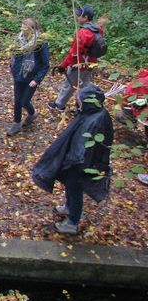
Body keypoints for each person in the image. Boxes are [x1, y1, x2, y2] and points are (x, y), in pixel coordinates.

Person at [32, 85, 113, 235]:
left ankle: (72, 223)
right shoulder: (91, 113)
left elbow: (88, 148)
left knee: (75, 189)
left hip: (81, 164)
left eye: (80, 100)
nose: (78, 102)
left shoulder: (98, 120)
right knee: (70, 187)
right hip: (75, 160)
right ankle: (68, 207)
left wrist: (73, 162)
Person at [48, 5, 107, 112]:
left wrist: (63, 66)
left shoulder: (83, 32)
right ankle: (84, 107)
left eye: (79, 15)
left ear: (85, 17)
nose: (76, 17)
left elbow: (74, 53)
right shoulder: (97, 29)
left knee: (69, 85)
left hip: (79, 64)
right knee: (85, 85)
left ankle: (59, 105)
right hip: (91, 63)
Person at [7, 18, 50, 136]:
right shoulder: (19, 39)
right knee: (17, 101)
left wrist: (37, 79)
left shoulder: (40, 43)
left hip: (31, 77)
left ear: (32, 30)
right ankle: (16, 124)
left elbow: (45, 65)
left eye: (25, 29)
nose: (23, 31)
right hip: (18, 75)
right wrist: (13, 68)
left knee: (24, 101)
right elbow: (14, 55)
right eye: (22, 28)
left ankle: (32, 114)